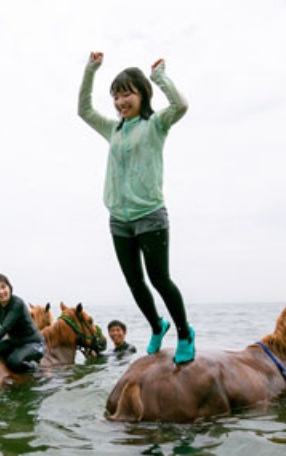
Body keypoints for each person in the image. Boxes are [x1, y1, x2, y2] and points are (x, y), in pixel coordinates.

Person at [78, 51, 195, 364]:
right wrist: (91, 70)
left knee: (160, 279)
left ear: (143, 94)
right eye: (116, 96)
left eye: (126, 94)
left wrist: (160, 77)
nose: (120, 102)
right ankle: (158, 325)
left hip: (151, 215)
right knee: (134, 281)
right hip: (119, 219)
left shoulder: (157, 124)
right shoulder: (113, 129)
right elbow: (84, 110)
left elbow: (180, 105)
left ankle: (185, 333)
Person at [0, 274, 45, 373]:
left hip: (34, 343)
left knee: (13, 362)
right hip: (14, 342)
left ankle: (36, 368)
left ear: (10, 287)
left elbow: (4, 328)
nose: (1, 291)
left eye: (3, 287)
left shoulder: (17, 304)